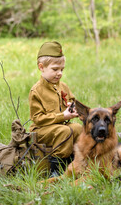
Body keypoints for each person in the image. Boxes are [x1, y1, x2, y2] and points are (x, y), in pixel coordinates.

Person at [29, 41, 83, 177]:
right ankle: (57, 170)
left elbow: (72, 101)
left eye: (62, 69)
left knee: (77, 128)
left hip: (60, 126)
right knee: (64, 131)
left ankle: (75, 163)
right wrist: (62, 117)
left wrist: (73, 108)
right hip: (42, 130)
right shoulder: (37, 91)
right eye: (55, 69)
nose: (59, 73)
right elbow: (37, 118)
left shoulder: (63, 86)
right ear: (41, 67)